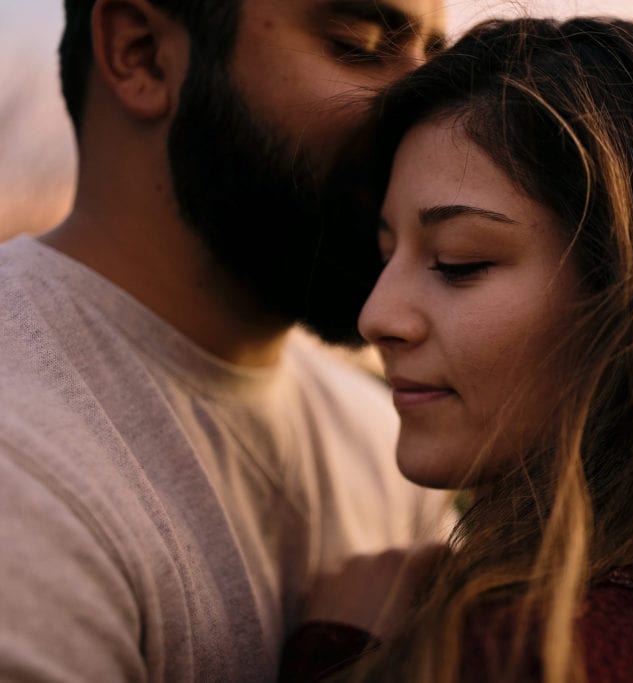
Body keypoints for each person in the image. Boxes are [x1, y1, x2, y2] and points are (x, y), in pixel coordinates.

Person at [280, 17, 633, 683]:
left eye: (456, 262)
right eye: (387, 256)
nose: (377, 315)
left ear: (627, 297)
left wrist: (332, 651)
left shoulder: (515, 652)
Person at [0, 0, 447, 680]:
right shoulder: (22, 467)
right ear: (143, 53)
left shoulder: (390, 441)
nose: (431, 111)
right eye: (359, 44)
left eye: (435, 60)